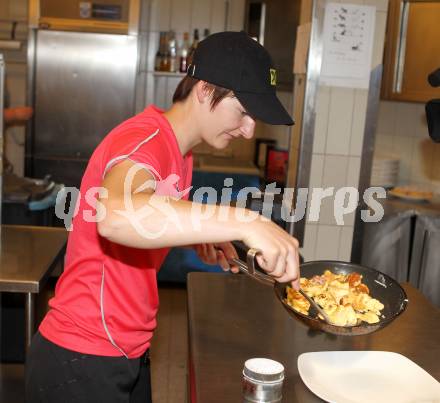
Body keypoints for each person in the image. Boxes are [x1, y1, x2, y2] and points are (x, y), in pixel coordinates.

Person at [25, 31, 300, 403]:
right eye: (244, 111)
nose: (249, 129)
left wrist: (197, 232)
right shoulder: (147, 138)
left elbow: (148, 221)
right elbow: (116, 215)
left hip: (125, 349)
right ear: (205, 90)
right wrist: (247, 221)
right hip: (83, 357)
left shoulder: (179, 152)